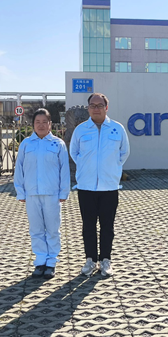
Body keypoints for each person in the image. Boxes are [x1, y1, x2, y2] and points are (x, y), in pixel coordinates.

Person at [69, 92, 130, 277]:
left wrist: (112, 169)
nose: (96, 109)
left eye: (100, 105)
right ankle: (90, 260)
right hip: (86, 187)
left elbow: (124, 153)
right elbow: (74, 153)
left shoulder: (117, 128)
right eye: (92, 105)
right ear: (88, 108)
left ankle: (105, 260)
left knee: (107, 227)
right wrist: (86, 167)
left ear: (106, 108)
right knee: (88, 226)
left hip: (109, 187)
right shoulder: (81, 130)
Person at [14, 108, 70, 278]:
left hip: (52, 194)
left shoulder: (58, 144)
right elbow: (19, 169)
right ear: (33, 124)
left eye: (44, 122)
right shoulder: (26, 144)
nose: (41, 125)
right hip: (31, 194)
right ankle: (40, 261)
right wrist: (20, 192)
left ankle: (51, 261)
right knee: (36, 229)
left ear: (50, 124)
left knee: (53, 229)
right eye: (37, 122)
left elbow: (64, 170)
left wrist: (64, 192)